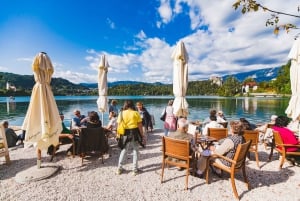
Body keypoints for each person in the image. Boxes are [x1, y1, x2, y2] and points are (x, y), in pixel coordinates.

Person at [116, 100, 145, 176]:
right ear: (132, 105)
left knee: (124, 150)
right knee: (135, 150)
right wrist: (142, 135)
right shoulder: (136, 113)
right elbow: (140, 126)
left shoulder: (121, 113)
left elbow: (118, 125)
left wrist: (118, 135)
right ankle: (134, 170)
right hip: (134, 133)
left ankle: (119, 168)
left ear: (125, 105)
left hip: (124, 133)